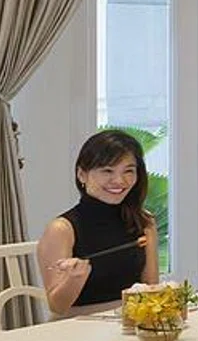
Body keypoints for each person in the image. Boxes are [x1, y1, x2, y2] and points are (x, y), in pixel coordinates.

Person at [37, 129, 160, 316]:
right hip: (78, 325)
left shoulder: (144, 221)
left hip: (130, 321)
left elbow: (151, 288)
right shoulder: (61, 229)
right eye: (107, 171)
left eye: (128, 171)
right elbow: (58, 307)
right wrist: (74, 279)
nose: (119, 180)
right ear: (82, 174)